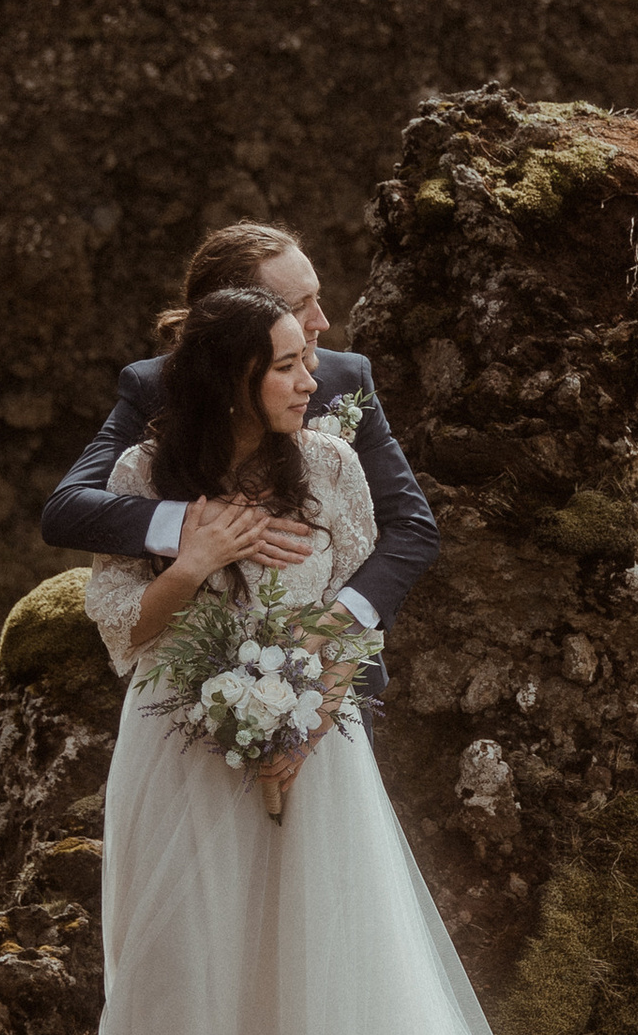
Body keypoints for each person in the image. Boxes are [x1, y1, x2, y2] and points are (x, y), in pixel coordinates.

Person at [71, 288, 620, 1035]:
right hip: (173, 741)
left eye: (302, 360)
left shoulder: (326, 465)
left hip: (313, 745)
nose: (309, 377)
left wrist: (304, 721)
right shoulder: (147, 478)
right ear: (233, 378)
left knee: (310, 951)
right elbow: (127, 632)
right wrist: (195, 560)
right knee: (176, 951)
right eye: (284, 363)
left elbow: (353, 610)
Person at [41, 219, 439, 685]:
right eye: (298, 305)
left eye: (317, 297)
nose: (321, 321)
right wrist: (197, 523)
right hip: (197, 684)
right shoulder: (157, 385)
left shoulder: (347, 380)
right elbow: (66, 511)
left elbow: (412, 527)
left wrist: (329, 629)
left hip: (330, 680)